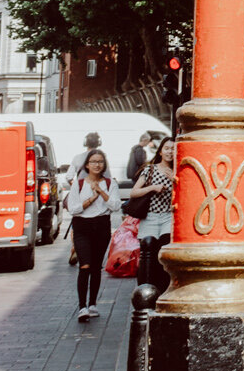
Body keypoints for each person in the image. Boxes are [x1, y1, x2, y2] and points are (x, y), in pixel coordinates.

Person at [66, 148, 122, 321]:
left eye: (100, 162)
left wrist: (100, 191)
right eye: (93, 162)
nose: (97, 165)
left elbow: (115, 206)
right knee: (85, 265)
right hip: (82, 226)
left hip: (102, 226)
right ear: (87, 165)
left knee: (97, 266)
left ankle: (92, 304)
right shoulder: (79, 183)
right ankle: (82, 307)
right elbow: (73, 208)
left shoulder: (110, 183)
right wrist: (91, 199)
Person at [130, 135, 175, 297]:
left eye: (174, 149)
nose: (170, 152)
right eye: (167, 148)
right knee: (148, 247)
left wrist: (176, 181)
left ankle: (163, 290)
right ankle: (144, 290)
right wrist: (152, 188)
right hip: (150, 216)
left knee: (165, 249)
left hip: (168, 216)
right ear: (161, 151)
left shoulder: (179, 172)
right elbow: (134, 192)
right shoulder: (150, 169)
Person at [66, 131, 102, 267]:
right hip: (96, 195)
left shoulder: (77, 157)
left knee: (77, 222)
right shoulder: (100, 159)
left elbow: (69, 177)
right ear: (98, 143)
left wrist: (76, 188)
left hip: (80, 195)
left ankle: (76, 247)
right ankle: (91, 250)